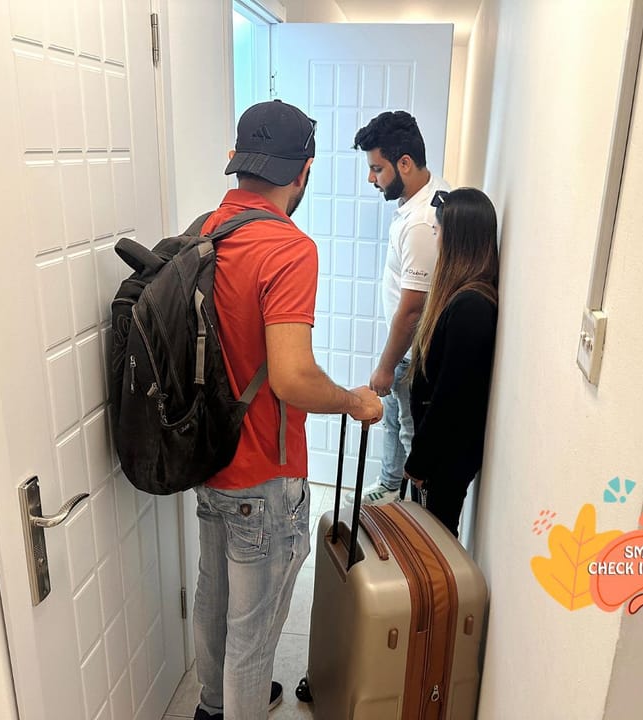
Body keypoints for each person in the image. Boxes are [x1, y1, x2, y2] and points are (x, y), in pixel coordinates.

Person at [191, 100, 383, 720]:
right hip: (263, 476)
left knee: (213, 599)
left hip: (208, 461)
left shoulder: (205, 231)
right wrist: (353, 401)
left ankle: (211, 708)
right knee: (251, 637)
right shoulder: (288, 248)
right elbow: (293, 377)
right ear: (303, 171)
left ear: (237, 161)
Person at [347, 110, 451, 506]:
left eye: (377, 169)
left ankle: (416, 514)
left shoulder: (423, 222)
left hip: (411, 351)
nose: (371, 178)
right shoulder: (425, 196)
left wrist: (386, 366)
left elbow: (412, 310)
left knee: (411, 434)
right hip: (406, 348)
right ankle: (390, 485)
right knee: (393, 421)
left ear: (404, 163)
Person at [403, 188, 499, 537]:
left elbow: (451, 396)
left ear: (458, 238)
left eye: (439, 230)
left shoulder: (471, 307)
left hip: (443, 459)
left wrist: (419, 462)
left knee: (434, 543)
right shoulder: (463, 298)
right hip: (440, 455)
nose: (436, 237)